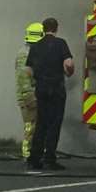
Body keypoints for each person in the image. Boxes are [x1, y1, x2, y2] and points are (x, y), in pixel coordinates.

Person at [25, 16, 74, 171]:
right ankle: (50, 159)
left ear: (43, 29)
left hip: (41, 88)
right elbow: (69, 63)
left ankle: (34, 158)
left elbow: (28, 70)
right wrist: (69, 73)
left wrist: (37, 80)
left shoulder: (35, 46)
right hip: (56, 88)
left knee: (41, 123)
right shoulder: (61, 44)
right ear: (56, 28)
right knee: (54, 124)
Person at [16, 22, 42, 159]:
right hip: (28, 95)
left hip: (30, 94)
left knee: (34, 125)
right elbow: (23, 78)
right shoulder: (25, 55)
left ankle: (33, 151)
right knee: (30, 125)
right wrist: (28, 96)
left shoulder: (27, 52)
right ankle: (27, 152)